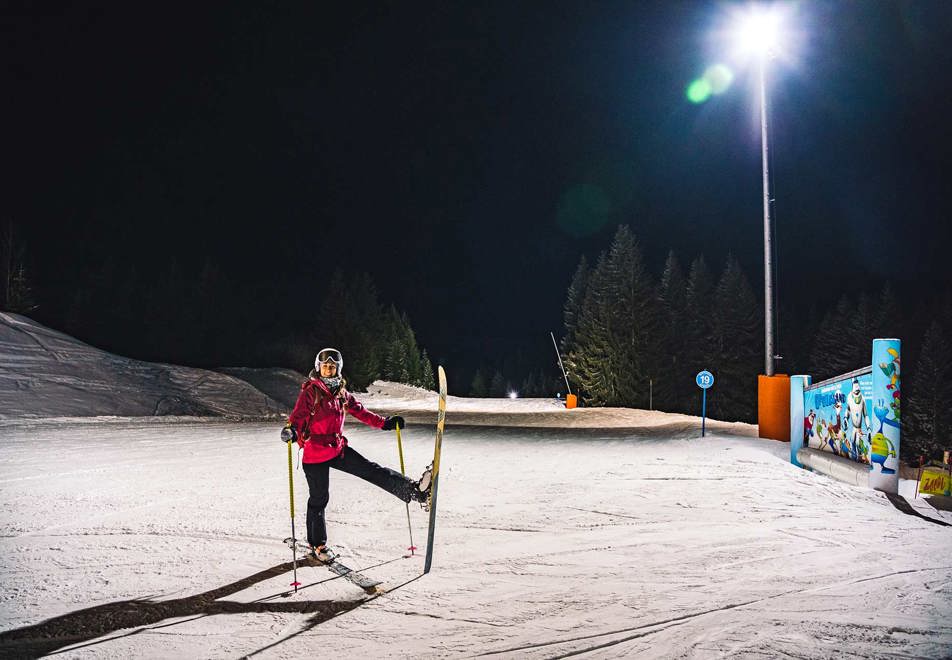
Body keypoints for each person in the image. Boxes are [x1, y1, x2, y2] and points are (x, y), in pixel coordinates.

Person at [281, 347, 431, 562]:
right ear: (318, 368)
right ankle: (318, 545)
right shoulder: (311, 392)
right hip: (314, 454)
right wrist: (292, 431)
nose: (328, 369)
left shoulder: (341, 393)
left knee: (371, 470)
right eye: (325, 366)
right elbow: (298, 416)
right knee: (319, 499)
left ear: (338, 369)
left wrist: (385, 423)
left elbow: (361, 412)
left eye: (332, 366)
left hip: (337, 448)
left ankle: (416, 491)